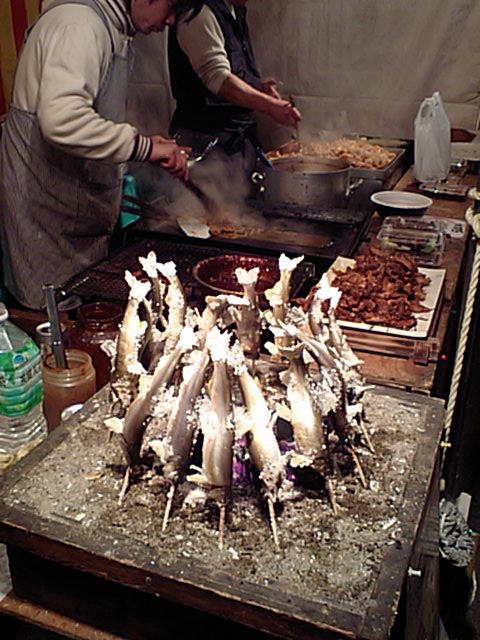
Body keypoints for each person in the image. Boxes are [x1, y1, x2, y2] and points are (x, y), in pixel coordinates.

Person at [0, 0, 203, 310]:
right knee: (51, 315)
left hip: (74, 209)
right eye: (171, 7)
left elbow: (92, 115)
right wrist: (144, 147)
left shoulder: (110, 26)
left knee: (81, 308)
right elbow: (63, 121)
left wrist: (148, 144)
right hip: (47, 214)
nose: (171, 21)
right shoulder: (78, 24)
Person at [168, 0, 301, 170]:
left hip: (233, 144)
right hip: (203, 144)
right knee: (207, 188)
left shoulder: (235, 10)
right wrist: (271, 106)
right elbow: (220, 79)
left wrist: (257, 87)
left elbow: (233, 71)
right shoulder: (197, 13)